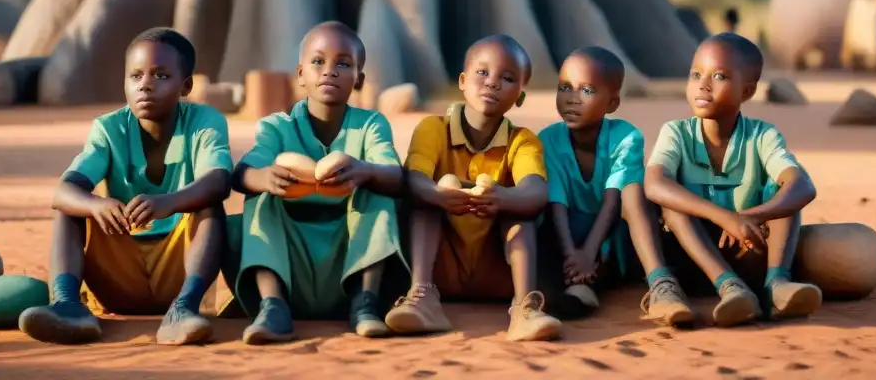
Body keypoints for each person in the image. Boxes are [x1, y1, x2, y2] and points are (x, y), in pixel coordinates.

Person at [19, 28, 233, 345]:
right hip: (120, 280)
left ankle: (184, 309)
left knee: (209, 206)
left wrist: (169, 203)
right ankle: (67, 306)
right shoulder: (108, 128)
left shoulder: (204, 121)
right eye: (135, 76)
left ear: (185, 85)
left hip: (178, 272)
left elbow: (219, 181)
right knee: (71, 208)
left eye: (161, 76)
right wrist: (96, 204)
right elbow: (63, 191)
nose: (145, 84)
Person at [229, 21, 407, 343]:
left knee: (376, 192)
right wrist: (263, 176)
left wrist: (364, 170)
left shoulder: (370, 124)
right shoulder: (276, 127)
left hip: (350, 250)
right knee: (260, 196)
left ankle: (365, 303)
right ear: (300, 75)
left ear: (359, 80)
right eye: (318, 62)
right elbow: (243, 172)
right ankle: (273, 305)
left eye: (343, 63)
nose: (330, 71)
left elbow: (394, 175)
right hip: (292, 256)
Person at [384, 34, 562, 342]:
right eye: (482, 73)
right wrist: (439, 195)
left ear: (520, 95)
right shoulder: (432, 129)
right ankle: (422, 296)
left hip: (496, 273)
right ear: (463, 81)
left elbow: (536, 191)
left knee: (518, 207)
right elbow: (414, 180)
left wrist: (501, 197)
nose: (492, 83)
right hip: (442, 268)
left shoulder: (522, 140)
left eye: (507, 78)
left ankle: (524, 308)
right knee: (425, 200)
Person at [644, 33, 822, 327]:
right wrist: (724, 217)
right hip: (690, 259)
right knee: (671, 203)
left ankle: (777, 284)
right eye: (696, 74)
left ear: (747, 91)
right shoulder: (676, 133)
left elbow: (803, 185)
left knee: (782, 190)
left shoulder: (762, 136)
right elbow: (654, 184)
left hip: (747, 252)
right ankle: (729, 287)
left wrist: (747, 217)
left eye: (720, 76)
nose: (703, 84)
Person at [538, 47, 695, 327]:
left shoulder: (626, 136)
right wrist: (574, 254)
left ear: (612, 103)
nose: (572, 99)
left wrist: (589, 253)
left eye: (586, 90)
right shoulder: (548, 139)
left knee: (633, 189)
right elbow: (557, 203)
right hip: (569, 241)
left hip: (615, 238)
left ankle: (661, 283)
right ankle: (579, 282)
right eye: (564, 88)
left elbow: (613, 202)